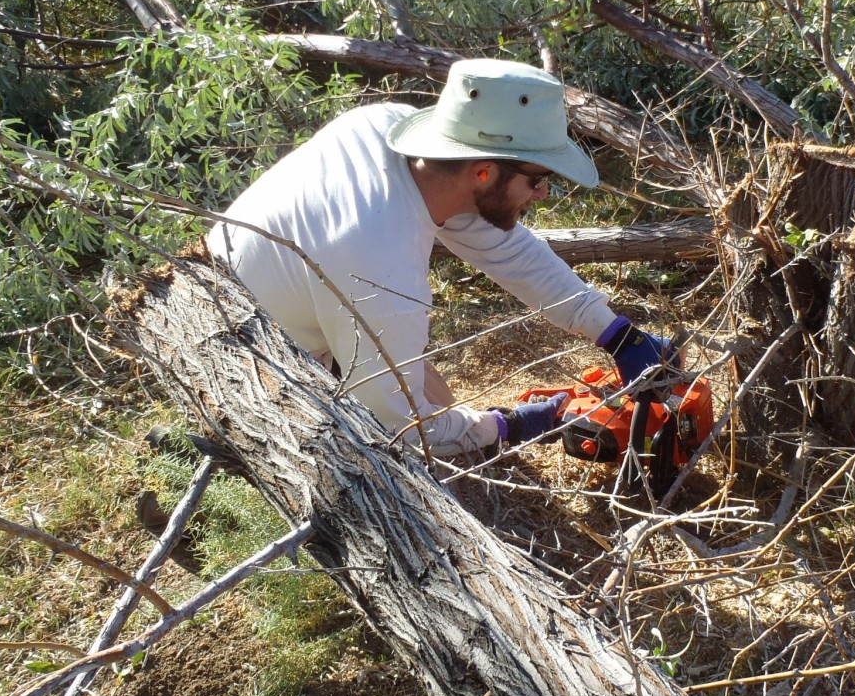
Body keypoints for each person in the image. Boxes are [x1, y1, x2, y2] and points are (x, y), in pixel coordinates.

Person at [207, 58, 678, 456]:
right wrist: (509, 424)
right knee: (435, 460)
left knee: (433, 396)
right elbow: (405, 430)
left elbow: (508, 249)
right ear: (483, 172)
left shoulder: (390, 131)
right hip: (246, 363)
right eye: (537, 179)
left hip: (257, 298)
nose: (542, 193)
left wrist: (617, 334)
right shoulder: (381, 274)